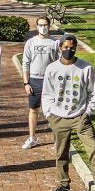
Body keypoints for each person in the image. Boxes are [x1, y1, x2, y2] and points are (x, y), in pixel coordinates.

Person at [42, 34, 95, 191]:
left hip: (80, 117)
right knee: (61, 153)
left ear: (76, 48)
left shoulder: (86, 68)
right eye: (65, 47)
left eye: (72, 47)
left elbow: (93, 93)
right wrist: (49, 114)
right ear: (60, 48)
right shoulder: (52, 68)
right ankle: (64, 184)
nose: (68, 50)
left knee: (93, 150)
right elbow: (47, 94)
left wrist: (87, 113)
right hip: (58, 117)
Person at [21, 16, 58, 149]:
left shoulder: (55, 43)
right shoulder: (30, 43)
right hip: (34, 80)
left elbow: (59, 63)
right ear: (37, 27)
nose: (43, 27)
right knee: (33, 110)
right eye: (41, 25)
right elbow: (25, 63)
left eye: (45, 24)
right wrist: (26, 83)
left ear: (49, 25)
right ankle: (32, 138)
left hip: (50, 82)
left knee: (53, 111)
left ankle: (57, 140)